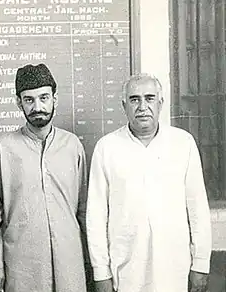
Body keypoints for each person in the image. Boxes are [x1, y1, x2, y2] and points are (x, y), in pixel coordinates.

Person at [86, 73, 212, 292]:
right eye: (134, 99)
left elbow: (198, 208)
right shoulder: (106, 148)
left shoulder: (183, 143)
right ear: (124, 105)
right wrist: (101, 273)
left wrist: (201, 264)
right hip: (125, 271)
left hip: (174, 270)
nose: (142, 106)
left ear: (161, 103)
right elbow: (96, 216)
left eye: (149, 98)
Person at [0, 63, 91, 292]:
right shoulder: (4, 148)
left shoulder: (72, 146)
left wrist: (92, 262)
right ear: (19, 102)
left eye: (44, 98)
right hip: (22, 265)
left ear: (55, 99)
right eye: (29, 100)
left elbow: (85, 207)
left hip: (70, 262)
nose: (38, 106)